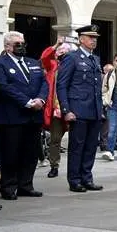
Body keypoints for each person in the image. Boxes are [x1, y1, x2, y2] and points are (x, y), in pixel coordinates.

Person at [0, 31, 48, 201]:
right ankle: (9, 187)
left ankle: (26, 185)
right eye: (18, 44)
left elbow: (44, 83)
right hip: (12, 116)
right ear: (8, 46)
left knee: (30, 153)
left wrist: (40, 99)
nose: (22, 46)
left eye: (23, 42)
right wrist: (27, 102)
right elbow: (4, 86)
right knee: (11, 153)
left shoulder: (33, 63)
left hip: (33, 116)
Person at [56, 25, 104, 193]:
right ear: (81, 39)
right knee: (77, 147)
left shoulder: (95, 59)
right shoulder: (71, 58)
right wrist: (66, 109)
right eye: (90, 37)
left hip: (95, 110)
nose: (94, 40)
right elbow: (62, 85)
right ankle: (75, 180)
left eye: (95, 37)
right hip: (78, 110)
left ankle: (86, 177)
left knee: (91, 147)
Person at [41, 41, 73, 178]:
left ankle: (76, 168)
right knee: (55, 139)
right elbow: (44, 58)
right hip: (56, 109)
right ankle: (54, 165)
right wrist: (54, 46)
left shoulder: (74, 65)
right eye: (60, 50)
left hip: (74, 108)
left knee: (77, 140)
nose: (62, 52)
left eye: (65, 51)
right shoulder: (52, 65)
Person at [101, 53, 117, 161]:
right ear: (114, 62)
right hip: (113, 105)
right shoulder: (109, 74)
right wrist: (106, 101)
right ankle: (110, 151)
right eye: (116, 60)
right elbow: (104, 89)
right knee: (112, 129)